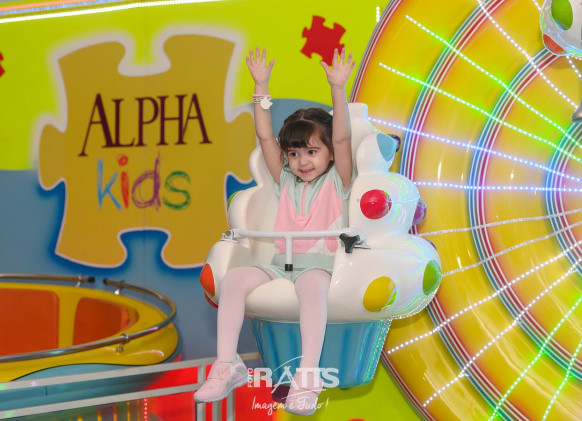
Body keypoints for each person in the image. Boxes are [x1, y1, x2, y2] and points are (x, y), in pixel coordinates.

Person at [194, 47, 355, 416]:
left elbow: (343, 139)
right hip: (280, 262)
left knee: (312, 287)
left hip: (317, 265)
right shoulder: (286, 180)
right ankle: (228, 365)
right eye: (294, 154)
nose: (302, 161)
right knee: (234, 280)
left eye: (312, 152)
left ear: (330, 153)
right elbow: (266, 138)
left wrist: (337, 88)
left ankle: (308, 377)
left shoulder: (339, 180)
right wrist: (261, 88)